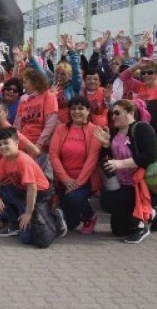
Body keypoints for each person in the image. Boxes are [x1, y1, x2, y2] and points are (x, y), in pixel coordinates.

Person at [95, 100, 157, 243]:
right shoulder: (114, 132)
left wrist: (121, 164)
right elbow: (106, 160)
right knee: (118, 231)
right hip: (121, 184)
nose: (113, 116)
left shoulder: (142, 129)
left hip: (140, 184)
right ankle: (153, 214)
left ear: (130, 113)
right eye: (111, 113)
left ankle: (142, 224)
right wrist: (106, 145)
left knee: (109, 200)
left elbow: (150, 155)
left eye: (117, 113)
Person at [0, 127, 68, 248]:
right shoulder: (6, 159)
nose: (2, 147)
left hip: (41, 195)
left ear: (16, 143)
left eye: (6, 143)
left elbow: (33, 189)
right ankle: (14, 224)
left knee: (39, 241)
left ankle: (55, 217)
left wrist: (28, 213)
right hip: (22, 191)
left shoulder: (23, 161)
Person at [48, 97, 102, 234]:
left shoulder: (95, 130)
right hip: (64, 180)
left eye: (80, 108)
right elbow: (53, 155)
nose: (76, 111)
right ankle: (72, 211)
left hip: (85, 181)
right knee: (71, 224)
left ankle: (90, 216)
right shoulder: (61, 129)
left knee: (74, 197)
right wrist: (65, 179)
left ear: (88, 111)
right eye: (73, 108)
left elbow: (92, 160)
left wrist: (77, 184)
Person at [15, 67, 59, 152]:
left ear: (35, 82)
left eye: (25, 83)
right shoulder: (24, 100)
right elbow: (17, 124)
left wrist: (40, 143)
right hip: (24, 145)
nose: (23, 86)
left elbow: (51, 122)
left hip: (40, 147)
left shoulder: (48, 96)